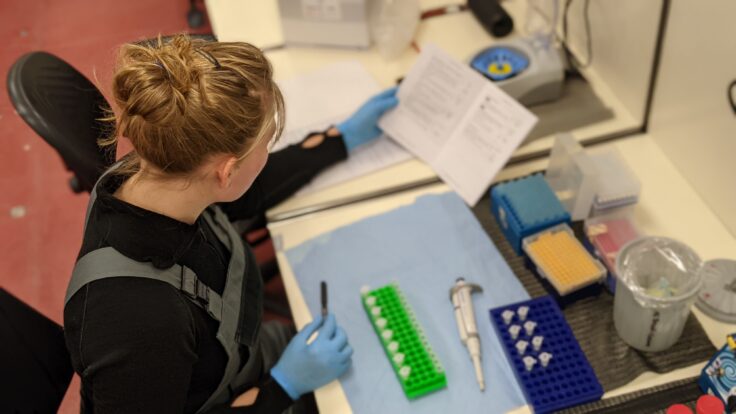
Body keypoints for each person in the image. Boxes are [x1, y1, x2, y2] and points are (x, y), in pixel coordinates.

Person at [63, 34, 398, 413]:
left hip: (239, 356)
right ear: (226, 171)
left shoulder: (160, 170)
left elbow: (249, 192)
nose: (267, 155)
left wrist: (339, 141)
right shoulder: (137, 326)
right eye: (267, 142)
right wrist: (281, 389)